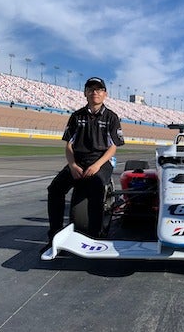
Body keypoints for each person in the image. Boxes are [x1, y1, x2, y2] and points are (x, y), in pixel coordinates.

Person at [42, 77, 124, 252]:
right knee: (54, 189)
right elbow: (69, 145)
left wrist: (96, 166)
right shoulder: (76, 116)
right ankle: (54, 237)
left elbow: (112, 148)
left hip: (101, 161)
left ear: (105, 94)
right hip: (78, 161)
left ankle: (95, 237)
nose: (95, 92)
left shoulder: (112, 117)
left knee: (96, 188)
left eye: (99, 89)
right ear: (85, 93)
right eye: (91, 89)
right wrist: (72, 165)